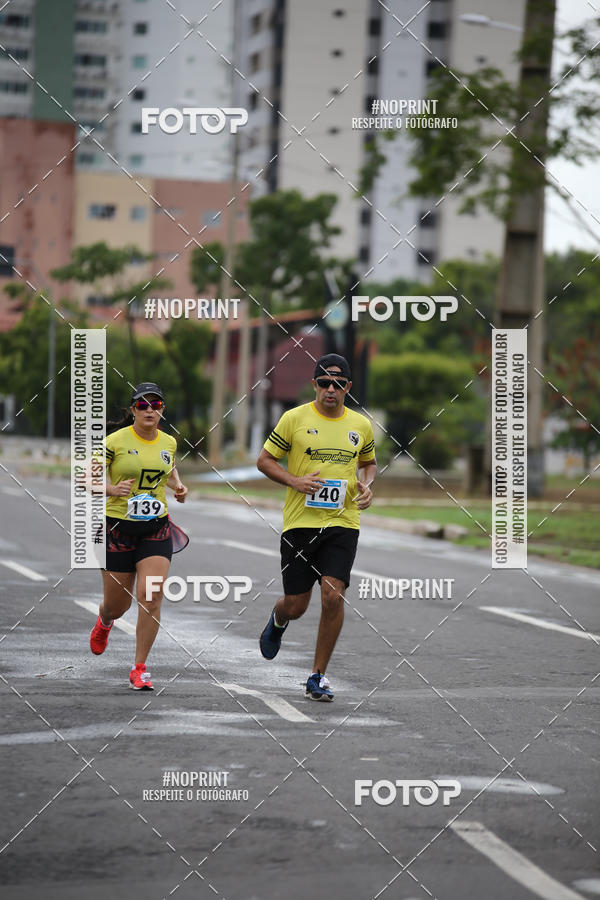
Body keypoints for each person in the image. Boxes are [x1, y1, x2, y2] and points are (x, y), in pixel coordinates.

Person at [257, 354, 376, 701]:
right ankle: (278, 619)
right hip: (300, 523)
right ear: (315, 385)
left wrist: (367, 485)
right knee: (297, 605)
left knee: (333, 594)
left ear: (348, 388)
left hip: (343, 521)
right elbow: (264, 460)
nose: (330, 389)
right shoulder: (294, 419)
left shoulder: (361, 425)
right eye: (324, 382)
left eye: (338, 384)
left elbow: (369, 464)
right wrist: (294, 480)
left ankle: (317, 676)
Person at [89, 382, 188, 690]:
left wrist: (179, 488)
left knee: (152, 595)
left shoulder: (169, 442)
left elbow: (168, 471)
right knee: (118, 605)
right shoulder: (114, 440)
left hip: (155, 528)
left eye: (155, 405)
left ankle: (140, 667)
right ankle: (105, 620)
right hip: (118, 528)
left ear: (162, 410)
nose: (149, 410)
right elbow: (85, 478)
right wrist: (110, 489)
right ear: (132, 410)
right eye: (142, 405)